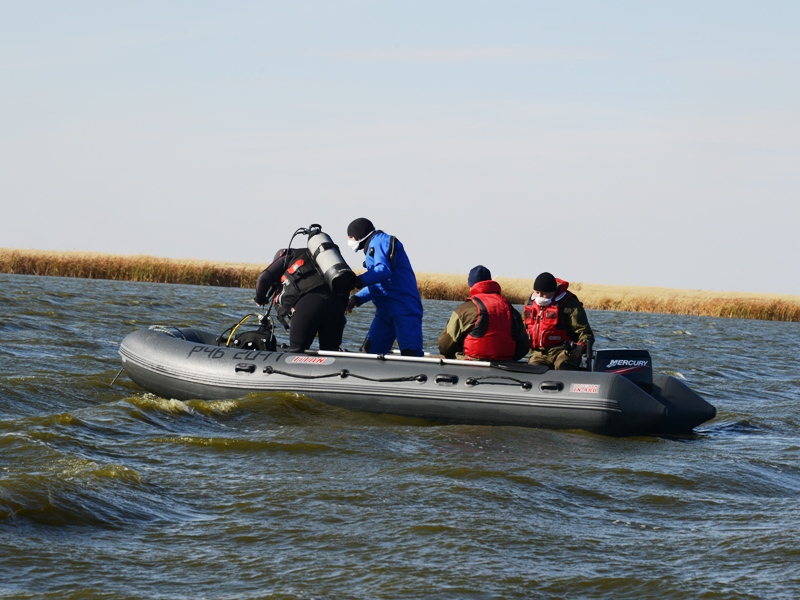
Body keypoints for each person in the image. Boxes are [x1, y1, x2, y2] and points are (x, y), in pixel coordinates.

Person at [345, 217, 424, 357]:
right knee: (369, 352)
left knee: (411, 354)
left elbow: (383, 270)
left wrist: (357, 281)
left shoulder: (380, 241)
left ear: (358, 234)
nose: (349, 240)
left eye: (350, 237)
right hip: (384, 312)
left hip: (404, 309)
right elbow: (379, 284)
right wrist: (356, 299)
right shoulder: (372, 247)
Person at [253, 247, 348, 352]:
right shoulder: (322, 262)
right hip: (336, 305)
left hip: (310, 304)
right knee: (331, 353)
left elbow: (263, 278)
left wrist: (260, 298)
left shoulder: (287, 257)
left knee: (297, 352)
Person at [438, 265, 530, 361]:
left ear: (471, 286)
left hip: (471, 363)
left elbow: (444, 346)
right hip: (506, 364)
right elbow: (523, 348)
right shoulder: (511, 310)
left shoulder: (464, 310)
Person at [523, 272, 595, 370]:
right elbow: (521, 329)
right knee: (534, 369)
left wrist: (580, 346)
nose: (540, 296)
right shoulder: (530, 304)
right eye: (537, 292)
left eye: (544, 293)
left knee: (563, 365)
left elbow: (585, 332)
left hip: (563, 351)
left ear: (553, 291)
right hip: (539, 353)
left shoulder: (569, 304)